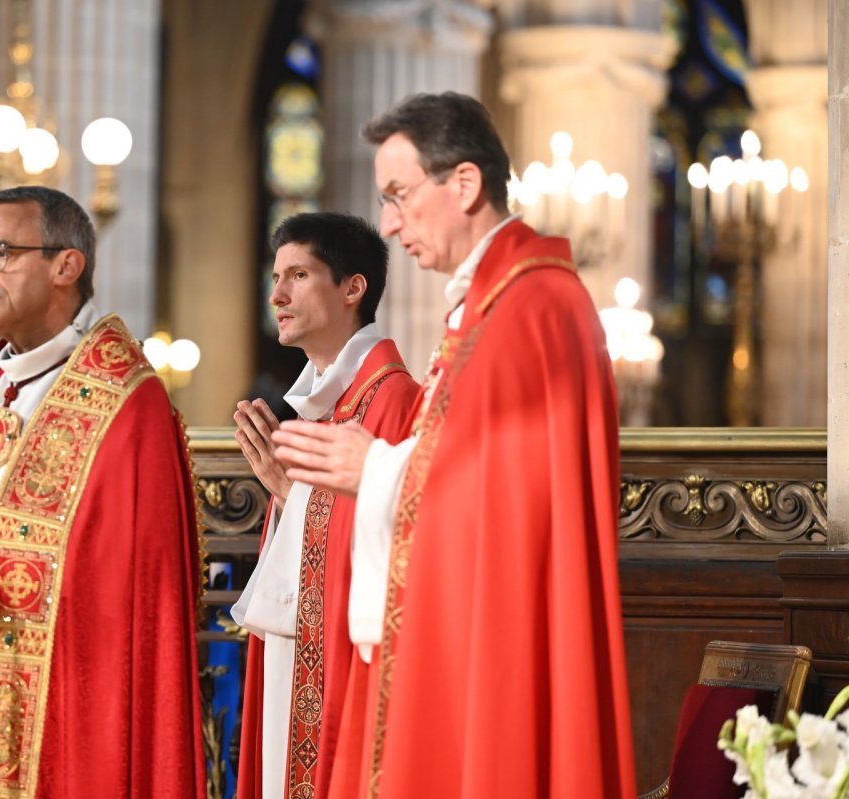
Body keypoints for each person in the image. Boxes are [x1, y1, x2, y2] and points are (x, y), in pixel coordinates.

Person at [271, 92, 634, 798]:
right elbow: (481, 473)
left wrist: (373, 469)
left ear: (463, 184)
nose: (387, 222)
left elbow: (512, 510)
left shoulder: (530, 307)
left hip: (501, 651)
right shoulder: (489, 307)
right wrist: (365, 473)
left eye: (400, 195)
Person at [0, 186, 205, 799]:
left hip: (63, 708)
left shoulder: (127, 401)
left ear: (65, 265)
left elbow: (134, 585)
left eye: (0, 253)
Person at [230, 212, 419, 799]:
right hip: (301, 652)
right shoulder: (329, 404)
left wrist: (298, 499)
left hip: (349, 661)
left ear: (352, 288)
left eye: (298, 275)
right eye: (276, 276)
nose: (276, 295)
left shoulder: (393, 401)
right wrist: (284, 494)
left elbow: (401, 544)